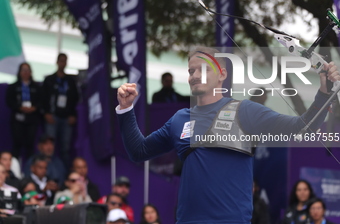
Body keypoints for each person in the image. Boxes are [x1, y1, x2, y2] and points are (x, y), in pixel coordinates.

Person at [116, 46, 339, 223]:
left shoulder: (245, 110)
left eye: (202, 69)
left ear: (221, 73)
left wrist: (324, 92)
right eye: (190, 71)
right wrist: (126, 109)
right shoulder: (179, 119)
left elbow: (300, 127)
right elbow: (139, 151)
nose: (194, 75)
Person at [42, 53, 79, 167]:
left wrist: (73, 115)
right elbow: (43, 98)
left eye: (64, 61)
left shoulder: (70, 81)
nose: (62, 63)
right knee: (49, 147)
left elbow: (75, 99)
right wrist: (46, 113)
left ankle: (64, 175)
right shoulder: (49, 80)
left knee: (65, 148)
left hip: (66, 118)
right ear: (57, 62)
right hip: (52, 116)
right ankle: (47, 171)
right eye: (61, 60)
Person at [5, 62, 41, 160]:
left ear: (31, 72)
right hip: (18, 118)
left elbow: (41, 100)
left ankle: (30, 170)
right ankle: (14, 170)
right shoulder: (13, 87)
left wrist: (34, 108)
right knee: (17, 144)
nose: (26, 72)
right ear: (19, 72)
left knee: (30, 145)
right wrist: (19, 107)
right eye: (23, 70)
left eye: (28, 70)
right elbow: (9, 101)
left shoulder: (36, 87)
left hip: (32, 118)